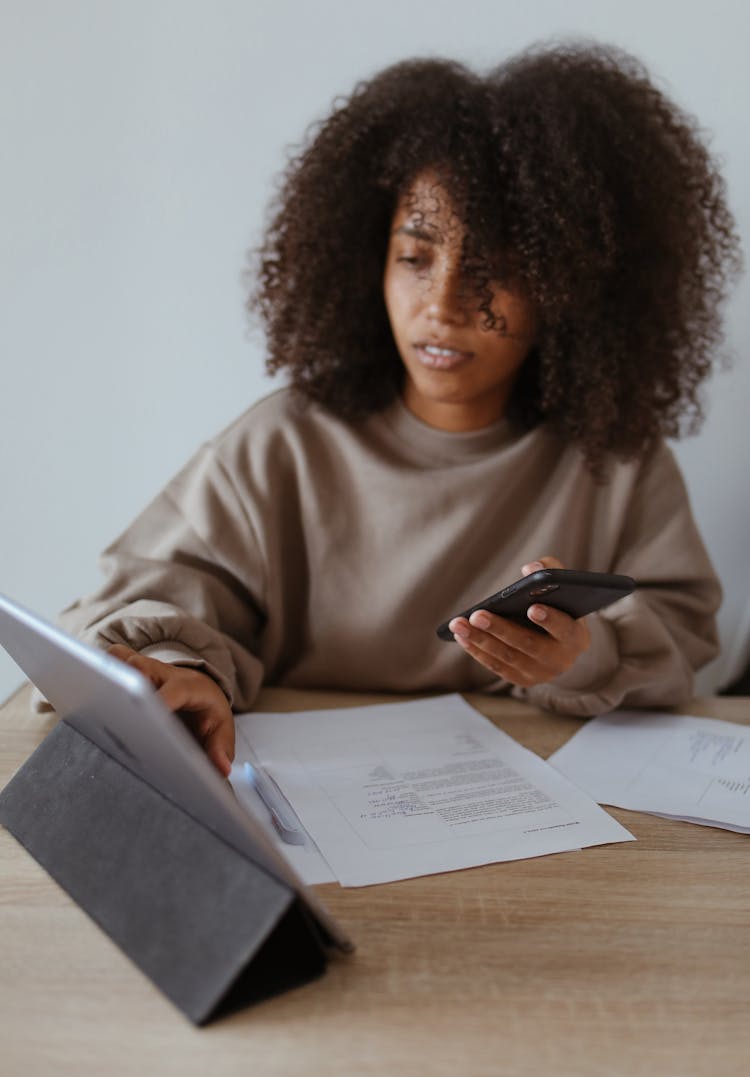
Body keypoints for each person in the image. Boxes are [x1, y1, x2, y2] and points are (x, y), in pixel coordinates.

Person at [55, 41, 741, 776]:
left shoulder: (618, 462)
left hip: (534, 819)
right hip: (306, 798)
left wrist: (584, 654)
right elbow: (147, 601)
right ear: (365, 260)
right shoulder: (281, 444)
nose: (441, 306)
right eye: (416, 258)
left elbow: (682, 637)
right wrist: (179, 671)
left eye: (494, 272)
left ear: (570, 287)